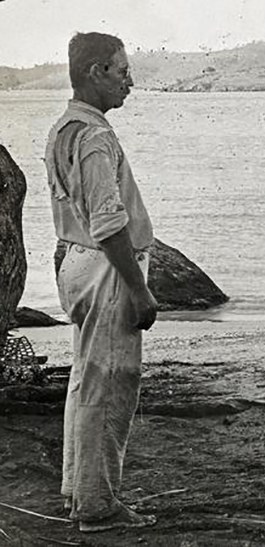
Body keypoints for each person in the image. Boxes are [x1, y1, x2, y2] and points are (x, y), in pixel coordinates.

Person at [45, 32, 158, 533]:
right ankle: (97, 506)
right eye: (122, 71)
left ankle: (80, 491)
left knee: (87, 381)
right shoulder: (93, 136)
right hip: (106, 268)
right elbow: (109, 223)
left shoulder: (63, 128)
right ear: (96, 73)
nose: (129, 82)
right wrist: (139, 289)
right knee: (109, 385)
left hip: (78, 262)